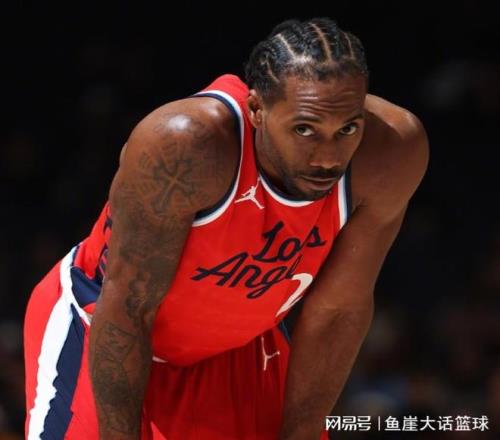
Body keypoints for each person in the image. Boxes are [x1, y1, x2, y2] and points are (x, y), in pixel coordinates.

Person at [23, 17, 428, 440]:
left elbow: (338, 309)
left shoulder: (391, 151)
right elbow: (128, 307)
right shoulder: (187, 146)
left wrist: (303, 430)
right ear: (256, 110)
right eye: (304, 129)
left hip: (239, 348)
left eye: (347, 129)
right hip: (105, 329)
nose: (327, 157)